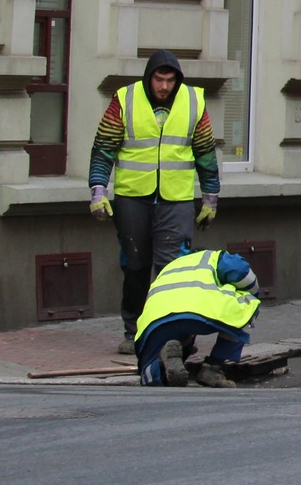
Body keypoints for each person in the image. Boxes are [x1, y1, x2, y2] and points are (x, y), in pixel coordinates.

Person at [87, 50, 221, 350]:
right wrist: (98, 191)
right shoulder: (125, 99)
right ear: (149, 78)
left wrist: (210, 199)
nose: (164, 87)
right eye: (158, 80)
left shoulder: (193, 102)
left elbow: (206, 154)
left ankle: (176, 336)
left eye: (170, 80)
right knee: (135, 266)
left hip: (176, 200)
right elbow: (104, 148)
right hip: (133, 197)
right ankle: (133, 331)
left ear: (178, 80)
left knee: (174, 270)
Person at [135, 248, 260, 388]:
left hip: (155, 323)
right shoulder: (212, 257)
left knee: (149, 376)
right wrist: (254, 292)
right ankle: (213, 369)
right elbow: (242, 273)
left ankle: (157, 366)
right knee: (249, 304)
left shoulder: (170, 267)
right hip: (198, 312)